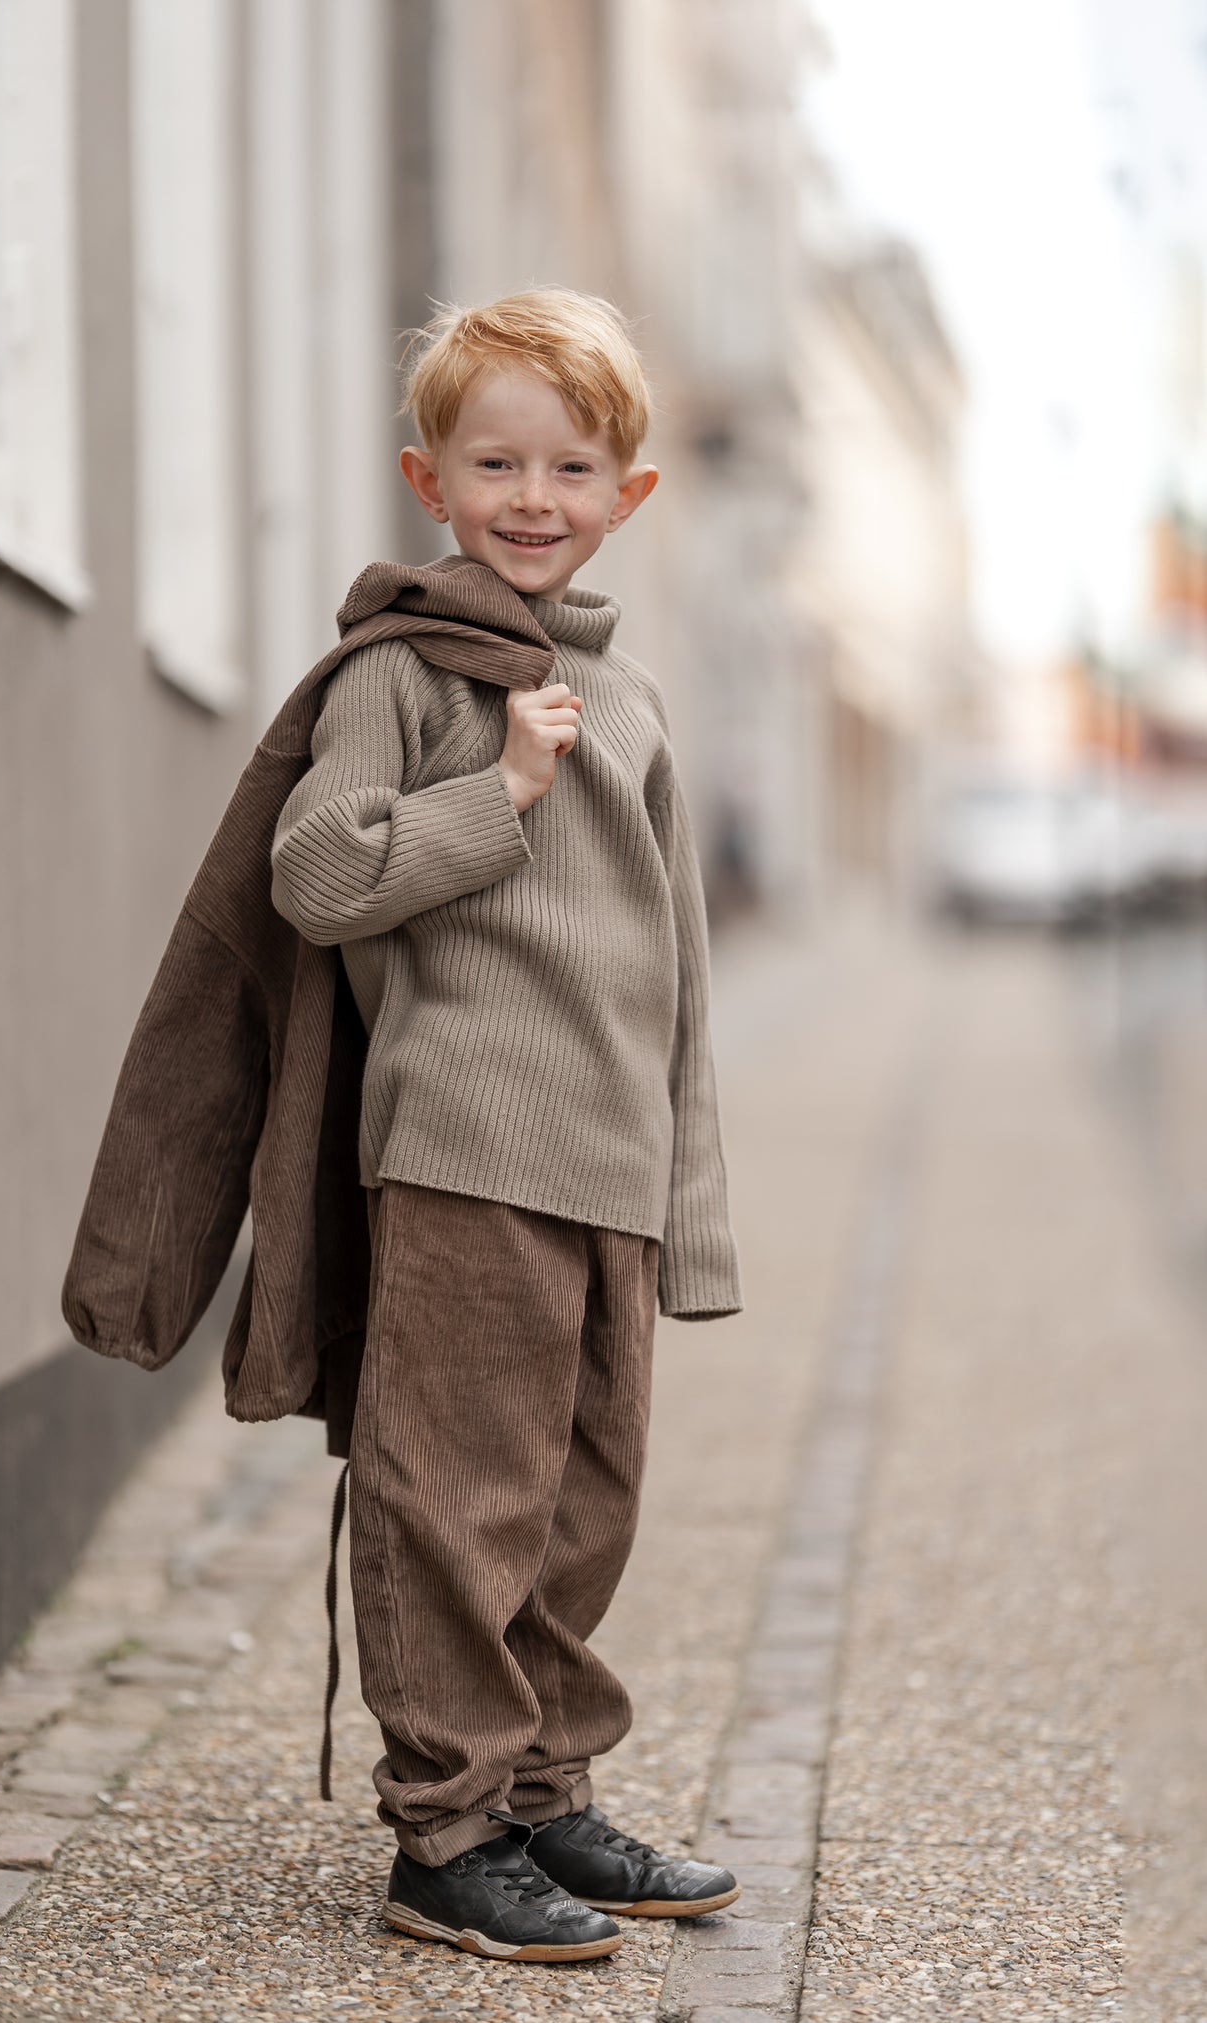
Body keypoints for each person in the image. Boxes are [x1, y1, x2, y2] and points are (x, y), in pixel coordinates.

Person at [268, 287, 744, 1965]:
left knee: (577, 1502)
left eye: (569, 465)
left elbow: (674, 976)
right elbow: (316, 877)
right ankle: (446, 1835)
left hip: (605, 1172)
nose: (531, 497)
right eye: (494, 462)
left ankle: (545, 1797)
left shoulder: (633, 706)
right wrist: (498, 798)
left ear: (629, 493)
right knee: (455, 1496)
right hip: (464, 1152)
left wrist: (691, 1214)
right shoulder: (404, 672)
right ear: (429, 479)